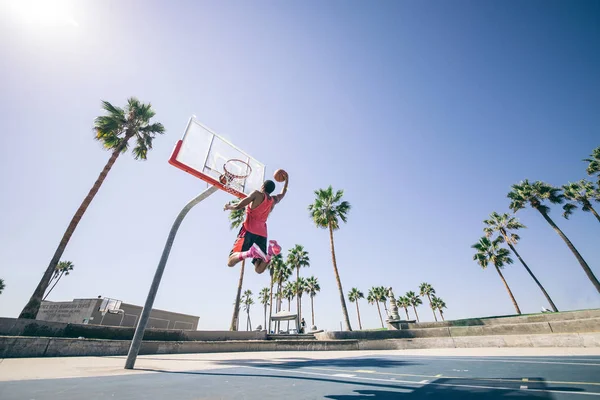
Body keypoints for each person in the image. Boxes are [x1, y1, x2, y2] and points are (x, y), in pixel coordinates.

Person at [224, 173, 289, 274]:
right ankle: (270, 253)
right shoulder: (273, 200)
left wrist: (229, 207)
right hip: (262, 233)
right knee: (258, 269)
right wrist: (287, 180)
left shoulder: (257, 194)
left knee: (230, 262)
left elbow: (238, 206)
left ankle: (250, 253)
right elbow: (283, 194)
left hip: (249, 229)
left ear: (262, 186)